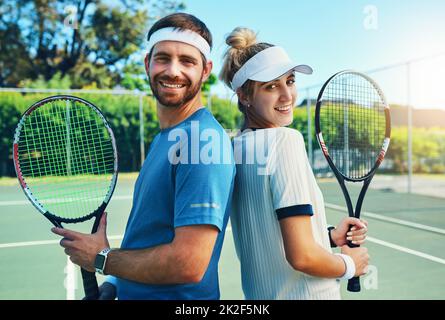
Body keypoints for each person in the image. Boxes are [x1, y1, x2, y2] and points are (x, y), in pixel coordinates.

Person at [51, 13, 236, 300]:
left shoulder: (201, 140)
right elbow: (149, 237)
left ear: (206, 70)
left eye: (187, 61)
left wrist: (101, 259)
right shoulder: (167, 137)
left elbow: (188, 263)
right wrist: (114, 284)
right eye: (163, 58)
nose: (173, 71)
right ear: (148, 63)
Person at [219, 27, 369, 300]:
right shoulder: (285, 141)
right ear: (244, 95)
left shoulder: (236, 147)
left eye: (289, 81)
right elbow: (302, 257)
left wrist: (329, 236)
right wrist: (350, 265)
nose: (287, 96)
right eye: (271, 86)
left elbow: (266, 232)